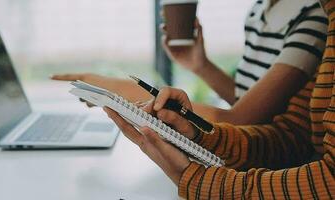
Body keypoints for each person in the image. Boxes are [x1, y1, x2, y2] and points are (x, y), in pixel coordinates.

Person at [103, 0, 335, 198]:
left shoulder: (313, 16)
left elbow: (330, 181)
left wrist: (196, 180)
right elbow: (292, 136)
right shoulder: (272, 10)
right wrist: (197, 134)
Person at [52, 0, 328, 125]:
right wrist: (201, 65)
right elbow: (248, 100)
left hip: (266, 161)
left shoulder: (315, 17)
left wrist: (116, 89)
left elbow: (244, 119)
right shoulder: (260, 8)